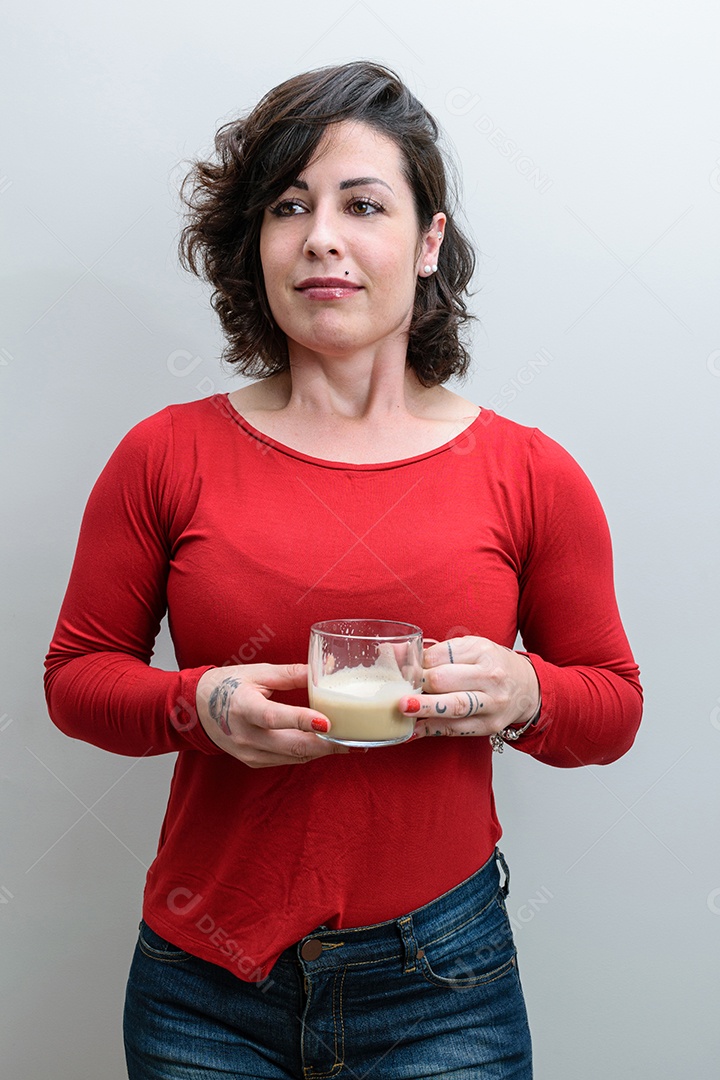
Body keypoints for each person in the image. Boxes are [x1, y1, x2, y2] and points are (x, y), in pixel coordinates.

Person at [44, 61, 642, 1079]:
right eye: (289, 205)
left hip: (444, 985)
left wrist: (526, 689)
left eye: (363, 204)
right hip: (203, 988)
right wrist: (201, 703)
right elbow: (77, 678)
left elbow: (613, 707)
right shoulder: (164, 455)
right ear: (259, 244)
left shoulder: (531, 473)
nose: (321, 235)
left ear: (427, 243)